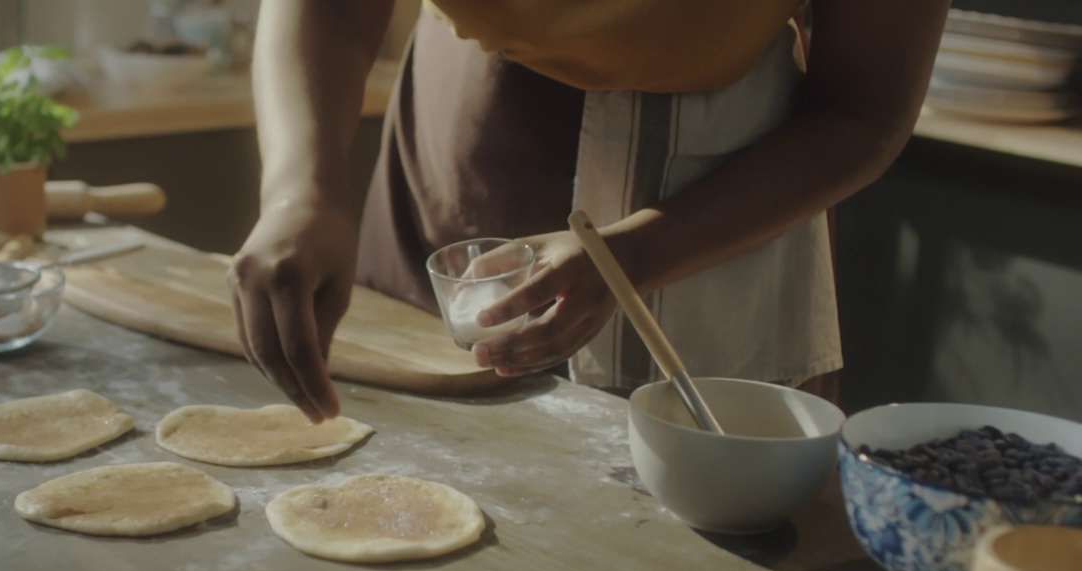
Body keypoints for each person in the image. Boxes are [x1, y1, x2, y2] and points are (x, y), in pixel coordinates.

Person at [229, 0, 951, 423]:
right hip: (463, 160)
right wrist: (303, 190)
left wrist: (634, 256)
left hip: (725, 202)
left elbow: (865, 110)